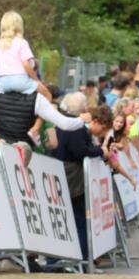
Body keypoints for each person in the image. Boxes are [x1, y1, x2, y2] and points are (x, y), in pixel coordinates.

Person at [50, 92, 106, 263]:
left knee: (60, 217)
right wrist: (100, 151)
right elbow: (80, 150)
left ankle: (56, 258)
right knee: (79, 216)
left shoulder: (58, 121)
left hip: (56, 170)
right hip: (72, 175)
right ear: (83, 109)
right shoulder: (75, 126)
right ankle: (81, 256)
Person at [0, 11, 49, 98]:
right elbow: (26, 64)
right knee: (46, 94)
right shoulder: (21, 42)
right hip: (20, 81)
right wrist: (36, 80)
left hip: (3, 82)